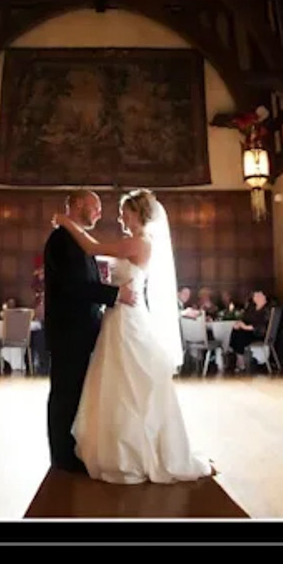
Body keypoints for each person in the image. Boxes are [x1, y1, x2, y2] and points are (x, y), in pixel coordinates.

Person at [52, 189, 214, 484]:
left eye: (124, 212)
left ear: (138, 213)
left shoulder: (140, 242)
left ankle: (135, 452)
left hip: (128, 319)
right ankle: (112, 448)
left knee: (130, 381)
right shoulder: (133, 241)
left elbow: (92, 247)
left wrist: (66, 221)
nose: (119, 217)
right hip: (116, 317)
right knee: (114, 381)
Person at [41, 190, 138, 472]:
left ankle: (73, 450)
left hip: (80, 330)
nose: (99, 213)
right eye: (95, 207)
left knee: (75, 393)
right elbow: (73, 286)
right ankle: (61, 457)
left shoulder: (76, 239)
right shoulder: (62, 239)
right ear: (79, 204)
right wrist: (116, 294)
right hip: (69, 331)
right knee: (64, 394)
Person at [228, 289, 274, 372]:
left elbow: (264, 325)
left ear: (264, 296)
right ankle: (239, 357)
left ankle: (239, 359)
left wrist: (246, 327)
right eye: (255, 296)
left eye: (258, 295)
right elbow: (244, 318)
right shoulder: (251, 307)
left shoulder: (268, 308)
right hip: (248, 331)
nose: (255, 297)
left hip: (259, 333)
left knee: (240, 334)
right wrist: (239, 323)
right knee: (237, 330)